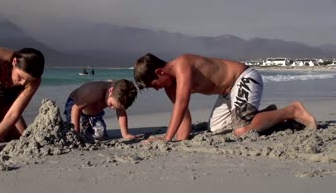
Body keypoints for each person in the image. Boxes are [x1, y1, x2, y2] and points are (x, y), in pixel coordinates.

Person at [133, 53, 317, 142]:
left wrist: (166, 138)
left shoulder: (182, 65)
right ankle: (264, 116)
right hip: (228, 93)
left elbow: (181, 105)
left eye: (154, 85)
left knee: (242, 130)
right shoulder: (169, 87)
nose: (156, 89)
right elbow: (184, 117)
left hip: (243, 78)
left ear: (160, 72)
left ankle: (292, 110)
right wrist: (179, 140)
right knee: (217, 129)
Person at [64, 79, 138, 140]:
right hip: (75, 106)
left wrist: (125, 134)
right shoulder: (94, 92)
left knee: (100, 135)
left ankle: (88, 124)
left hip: (94, 112)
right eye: (111, 105)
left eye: (115, 107)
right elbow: (75, 108)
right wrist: (76, 134)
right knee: (81, 134)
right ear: (111, 90)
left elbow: (121, 114)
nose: (112, 108)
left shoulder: (118, 94)